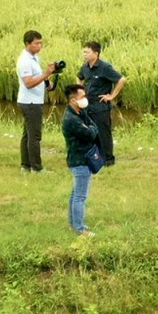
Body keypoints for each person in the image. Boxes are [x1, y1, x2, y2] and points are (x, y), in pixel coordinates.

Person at [16, 30, 59, 172]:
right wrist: (46, 73)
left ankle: (26, 165)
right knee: (34, 136)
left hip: (32, 101)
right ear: (27, 43)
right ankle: (37, 167)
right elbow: (28, 83)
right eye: (36, 43)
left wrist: (49, 81)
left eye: (41, 43)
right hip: (30, 102)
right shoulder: (24, 61)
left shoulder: (35, 58)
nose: (39, 46)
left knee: (27, 134)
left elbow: (38, 77)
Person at [62, 83, 101, 236]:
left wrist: (91, 128)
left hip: (81, 159)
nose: (85, 99)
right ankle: (79, 229)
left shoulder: (79, 112)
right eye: (82, 97)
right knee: (80, 196)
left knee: (75, 194)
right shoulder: (72, 119)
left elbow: (93, 126)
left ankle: (73, 223)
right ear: (73, 100)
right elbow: (91, 133)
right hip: (80, 161)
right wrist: (91, 129)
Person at [79, 40, 126, 164]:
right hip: (87, 105)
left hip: (100, 106)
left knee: (103, 133)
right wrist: (80, 91)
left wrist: (112, 96)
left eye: (87, 52)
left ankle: (108, 159)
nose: (84, 54)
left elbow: (121, 79)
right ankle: (93, 157)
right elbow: (79, 77)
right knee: (89, 132)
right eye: (84, 52)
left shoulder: (104, 67)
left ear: (96, 53)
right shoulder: (85, 67)